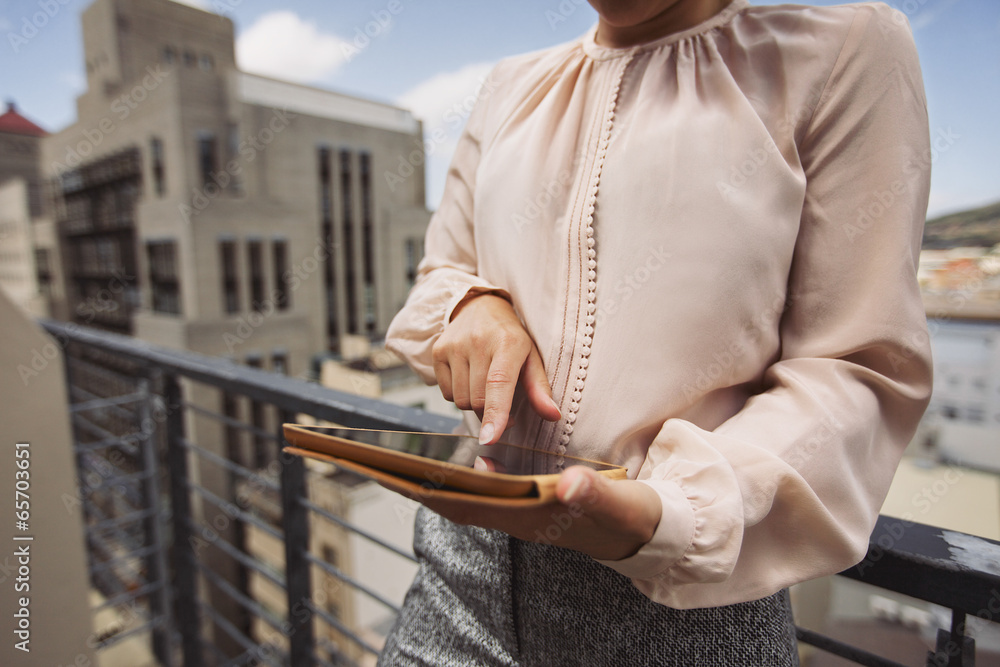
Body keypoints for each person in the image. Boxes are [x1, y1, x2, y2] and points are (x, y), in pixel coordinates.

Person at [380, 0, 933, 664]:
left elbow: (855, 366)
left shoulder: (845, 47)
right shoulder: (508, 84)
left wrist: (672, 515)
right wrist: (473, 304)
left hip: (681, 610)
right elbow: (439, 274)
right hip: (461, 571)